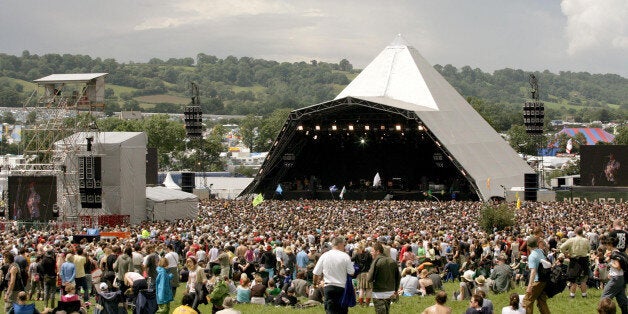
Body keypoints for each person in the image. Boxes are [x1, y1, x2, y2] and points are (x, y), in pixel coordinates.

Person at [312, 236, 355, 314]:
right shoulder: (345, 256)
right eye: (343, 245)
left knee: (330, 310)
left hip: (329, 287)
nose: (344, 246)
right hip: (342, 287)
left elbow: (316, 273)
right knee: (342, 311)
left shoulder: (325, 255)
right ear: (339, 244)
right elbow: (351, 272)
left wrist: (315, 284)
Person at [367, 242, 400, 314]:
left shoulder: (376, 261)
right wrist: (396, 290)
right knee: (386, 311)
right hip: (390, 291)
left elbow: (369, 278)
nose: (371, 253)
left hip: (378, 292)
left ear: (378, 252)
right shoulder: (392, 261)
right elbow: (398, 277)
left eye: (372, 251)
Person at [560, 226, 591, 298]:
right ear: (582, 232)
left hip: (574, 261)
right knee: (583, 280)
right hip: (584, 260)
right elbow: (589, 249)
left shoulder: (571, 240)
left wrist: (566, 254)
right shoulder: (586, 240)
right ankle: (584, 295)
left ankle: (572, 295)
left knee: (573, 280)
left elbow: (561, 247)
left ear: (575, 232)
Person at [522, 236, 550, 314]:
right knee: (541, 302)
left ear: (528, 246)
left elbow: (533, 271)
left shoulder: (532, 256)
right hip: (543, 280)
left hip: (537, 280)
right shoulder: (541, 251)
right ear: (537, 244)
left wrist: (529, 286)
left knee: (527, 301)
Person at [601, 235, 628, 314]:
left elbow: (618, 267)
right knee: (622, 299)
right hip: (621, 278)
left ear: (610, 244)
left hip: (616, 278)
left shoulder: (614, 254)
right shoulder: (619, 252)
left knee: (604, 298)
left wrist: (608, 261)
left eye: (606, 244)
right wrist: (610, 272)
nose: (606, 246)